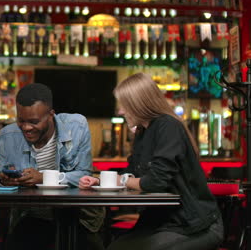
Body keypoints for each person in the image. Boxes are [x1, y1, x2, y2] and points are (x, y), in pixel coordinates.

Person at [79, 73, 223, 250]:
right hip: (163, 223)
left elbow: (155, 182)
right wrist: (102, 181)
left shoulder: (168, 126)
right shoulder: (142, 132)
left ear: (138, 104)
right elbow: (132, 171)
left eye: (124, 105)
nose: (120, 111)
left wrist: (122, 180)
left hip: (195, 226)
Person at [0, 83, 105, 250]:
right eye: (21, 120)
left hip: (76, 216)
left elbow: (84, 175)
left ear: (51, 115)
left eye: (33, 122)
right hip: (32, 216)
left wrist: (44, 178)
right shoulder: (7, 136)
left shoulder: (76, 126)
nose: (26, 127)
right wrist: (4, 180)